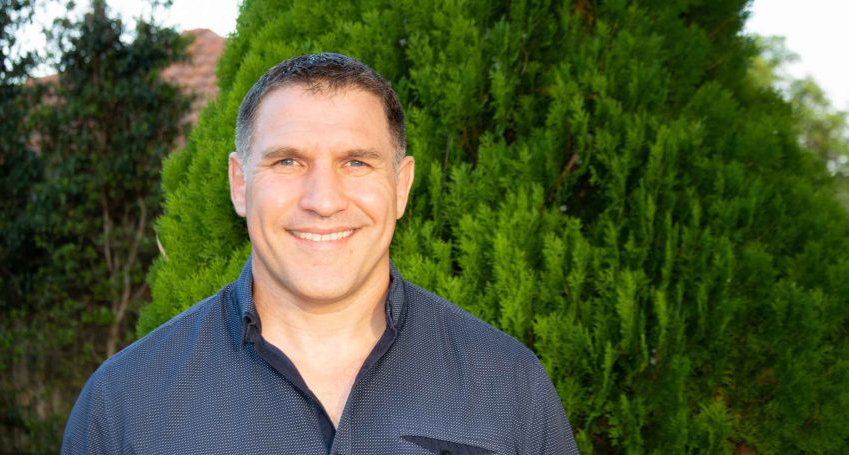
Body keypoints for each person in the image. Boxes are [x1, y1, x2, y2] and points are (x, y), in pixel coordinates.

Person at [62, 53, 579, 454]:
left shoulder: (508, 386)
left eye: (356, 162)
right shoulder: (126, 404)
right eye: (288, 161)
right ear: (240, 186)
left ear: (401, 187)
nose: (323, 201)